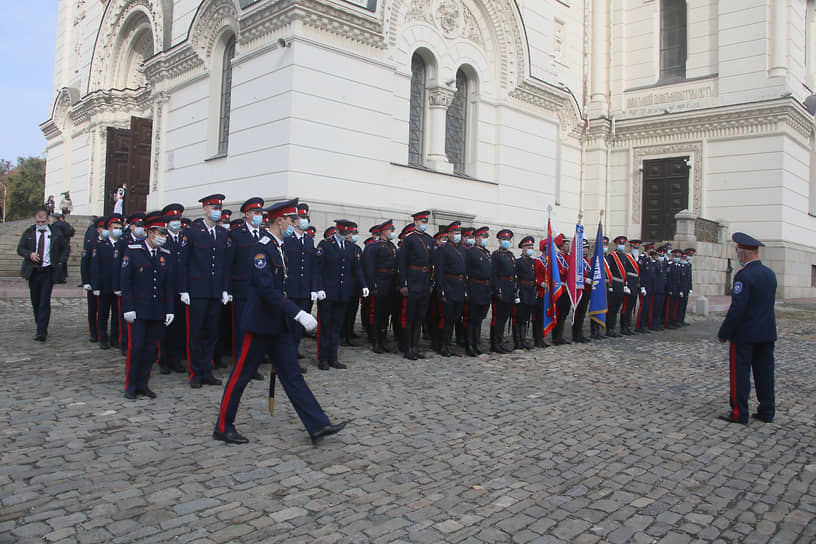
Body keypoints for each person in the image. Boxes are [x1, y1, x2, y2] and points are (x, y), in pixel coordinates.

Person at [213, 198, 347, 445]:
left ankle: (317, 424)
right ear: (280, 220)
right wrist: (297, 313)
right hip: (259, 324)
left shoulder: (278, 246)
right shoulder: (261, 248)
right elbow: (266, 290)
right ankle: (222, 426)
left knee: (293, 375)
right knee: (240, 375)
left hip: (278, 325)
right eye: (292, 219)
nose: (296, 224)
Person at [717, 232, 777, 425]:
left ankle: (739, 412)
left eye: (738, 251)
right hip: (766, 331)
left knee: (740, 373)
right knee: (765, 373)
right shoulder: (769, 273)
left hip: (745, 334)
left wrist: (724, 332)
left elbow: (738, 308)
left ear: (744, 253)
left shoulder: (744, 275)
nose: (737, 255)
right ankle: (767, 410)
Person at [120, 214, 175, 399]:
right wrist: (127, 307)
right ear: (150, 233)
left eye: (165, 234)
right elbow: (126, 281)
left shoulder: (165, 255)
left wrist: (170, 310)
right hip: (138, 309)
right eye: (160, 233)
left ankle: (143, 384)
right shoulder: (134, 250)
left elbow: (168, 285)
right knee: (136, 348)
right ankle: (131, 386)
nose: (163, 237)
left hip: (157, 309)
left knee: (151, 350)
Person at [178, 194, 230, 388]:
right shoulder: (192, 232)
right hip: (197, 291)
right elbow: (182, 263)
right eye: (214, 208)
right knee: (195, 334)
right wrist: (184, 290)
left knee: (212, 334)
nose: (217, 211)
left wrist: (225, 289)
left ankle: (207, 370)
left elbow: (224, 265)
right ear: (205, 209)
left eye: (219, 208)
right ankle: (195, 373)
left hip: (215, 291)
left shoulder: (223, 234)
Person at [313, 219, 369, 370]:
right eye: (343, 233)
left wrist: (363, 285)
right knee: (325, 326)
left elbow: (357, 269)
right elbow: (317, 269)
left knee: (336, 326)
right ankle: (323, 359)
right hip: (327, 292)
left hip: (343, 293)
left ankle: (333, 357)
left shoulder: (350, 248)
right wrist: (318, 288)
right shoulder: (325, 246)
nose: (346, 236)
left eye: (348, 233)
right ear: (337, 231)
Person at [224, 197, 265, 379]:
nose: (259, 216)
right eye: (256, 213)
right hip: (241, 289)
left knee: (256, 329)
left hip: (259, 290)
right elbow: (228, 264)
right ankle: (241, 365)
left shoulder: (264, 235)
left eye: (261, 213)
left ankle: (252, 365)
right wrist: (227, 289)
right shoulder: (236, 234)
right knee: (241, 330)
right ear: (247, 214)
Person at [17, 208, 68, 341]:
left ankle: (41, 330)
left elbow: (65, 248)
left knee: (44, 300)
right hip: (33, 271)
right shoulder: (29, 232)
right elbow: (20, 248)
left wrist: (61, 262)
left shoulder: (55, 232)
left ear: (48, 219)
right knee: (36, 300)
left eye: (43, 221)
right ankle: (39, 323)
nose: (40, 224)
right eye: (38, 222)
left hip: (48, 271)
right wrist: (29, 254)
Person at [397, 211, 434, 360]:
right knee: (410, 316)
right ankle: (408, 348)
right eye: (421, 221)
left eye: (426, 222)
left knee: (419, 317)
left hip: (424, 281)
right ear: (415, 222)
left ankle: (415, 347)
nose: (424, 224)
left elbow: (432, 264)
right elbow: (402, 262)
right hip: (412, 281)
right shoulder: (409, 239)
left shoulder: (429, 240)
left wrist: (431, 282)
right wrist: (404, 283)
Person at [158, 203, 188, 374]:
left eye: (178, 219)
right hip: (165, 288)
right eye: (173, 219)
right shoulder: (162, 238)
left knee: (179, 327)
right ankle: (163, 359)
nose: (176, 222)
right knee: (165, 327)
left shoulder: (184, 237)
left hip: (181, 288)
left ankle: (176, 359)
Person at [283, 202, 315, 362]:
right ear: (294, 221)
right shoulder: (287, 240)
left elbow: (312, 266)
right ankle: (287, 357)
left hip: (304, 289)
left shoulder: (309, 241)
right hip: (290, 289)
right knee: (288, 325)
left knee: (298, 328)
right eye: (302, 217)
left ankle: (293, 354)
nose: (305, 220)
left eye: (306, 217)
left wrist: (314, 288)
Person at [432, 221, 467, 357]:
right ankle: (442, 345)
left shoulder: (461, 249)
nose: (458, 236)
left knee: (454, 318)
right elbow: (439, 271)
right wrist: (441, 290)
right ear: (450, 234)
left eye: (460, 233)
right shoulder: (443, 249)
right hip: (448, 285)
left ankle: (448, 344)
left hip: (459, 286)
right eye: (456, 233)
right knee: (445, 318)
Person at [364, 219, 398, 354]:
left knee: (385, 313)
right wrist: (372, 284)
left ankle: (383, 338)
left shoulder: (392, 246)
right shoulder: (374, 246)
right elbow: (369, 267)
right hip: (379, 281)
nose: (392, 233)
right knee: (375, 313)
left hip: (390, 283)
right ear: (384, 231)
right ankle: (375, 340)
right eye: (391, 230)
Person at [90, 215, 124, 350]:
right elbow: (95, 267)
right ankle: (103, 338)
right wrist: (95, 285)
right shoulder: (101, 245)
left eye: (120, 228)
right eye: (115, 228)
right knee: (103, 314)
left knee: (117, 315)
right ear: (109, 229)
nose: (118, 230)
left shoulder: (124, 244)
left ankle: (114, 339)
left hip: (118, 287)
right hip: (105, 286)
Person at [491, 229, 517, 353]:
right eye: (504, 239)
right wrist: (497, 290)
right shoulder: (496, 255)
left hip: (510, 288)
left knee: (505, 316)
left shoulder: (511, 255)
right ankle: (494, 343)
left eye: (508, 240)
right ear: (499, 240)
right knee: (498, 317)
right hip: (501, 287)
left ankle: (500, 342)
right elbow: (494, 274)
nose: (506, 242)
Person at [513, 236, 537, 349]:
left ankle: (523, 339)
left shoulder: (533, 261)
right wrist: (516, 293)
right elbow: (515, 278)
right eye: (528, 247)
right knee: (519, 317)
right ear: (523, 248)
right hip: (522, 291)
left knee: (526, 318)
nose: (530, 249)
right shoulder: (518, 261)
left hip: (531, 292)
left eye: (532, 247)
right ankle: (518, 342)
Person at [50, 212, 75, 283]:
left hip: (57, 245)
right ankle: (63, 277)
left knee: (56, 262)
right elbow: (71, 232)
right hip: (66, 243)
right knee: (62, 261)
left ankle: (57, 278)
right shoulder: (66, 224)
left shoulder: (55, 225)